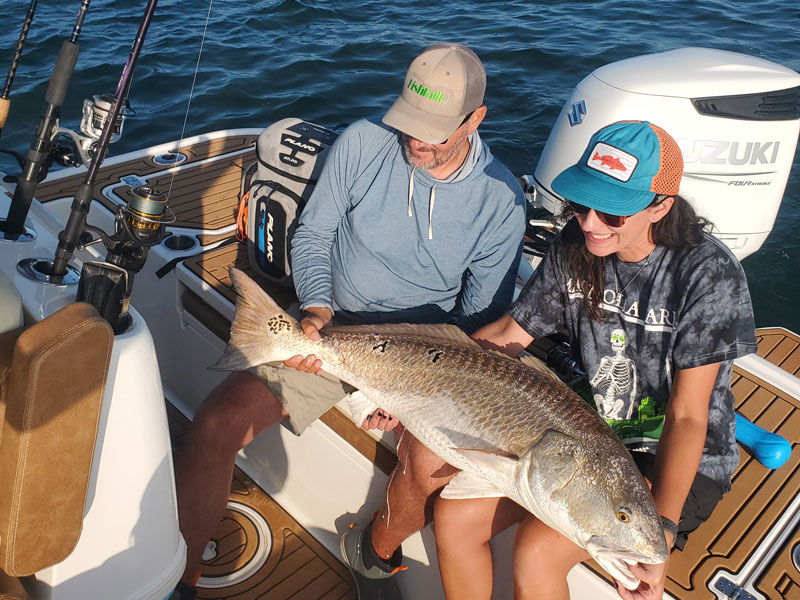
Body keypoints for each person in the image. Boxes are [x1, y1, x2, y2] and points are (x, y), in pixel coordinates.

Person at [171, 42, 525, 600]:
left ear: (475, 120)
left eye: (432, 131)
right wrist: (315, 307)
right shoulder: (363, 141)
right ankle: (181, 583)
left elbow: (479, 317)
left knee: (430, 474)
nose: (413, 140)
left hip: (426, 355)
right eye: (409, 122)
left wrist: (413, 389)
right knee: (216, 425)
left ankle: (371, 554)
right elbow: (313, 234)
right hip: (334, 325)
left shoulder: (501, 202)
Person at [432, 120, 757, 600]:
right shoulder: (576, 245)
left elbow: (688, 416)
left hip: (675, 454)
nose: (589, 223)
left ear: (660, 206)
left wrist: (659, 533)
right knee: (454, 518)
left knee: (537, 551)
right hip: (587, 435)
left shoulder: (707, 274)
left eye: (613, 214)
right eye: (583, 204)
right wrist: (422, 377)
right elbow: (507, 335)